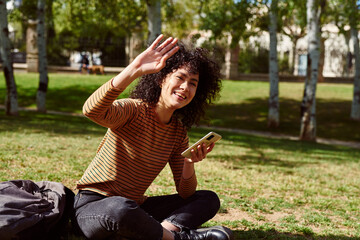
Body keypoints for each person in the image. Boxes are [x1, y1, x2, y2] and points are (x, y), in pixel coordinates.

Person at [73, 35, 233, 240]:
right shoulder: (133, 109)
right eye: (180, 77)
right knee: (121, 208)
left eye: (193, 83)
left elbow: (186, 193)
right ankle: (177, 238)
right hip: (94, 207)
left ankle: (161, 233)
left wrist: (189, 162)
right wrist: (134, 68)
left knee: (208, 199)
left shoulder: (177, 132)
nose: (186, 87)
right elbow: (91, 110)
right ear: (161, 78)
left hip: (135, 207)